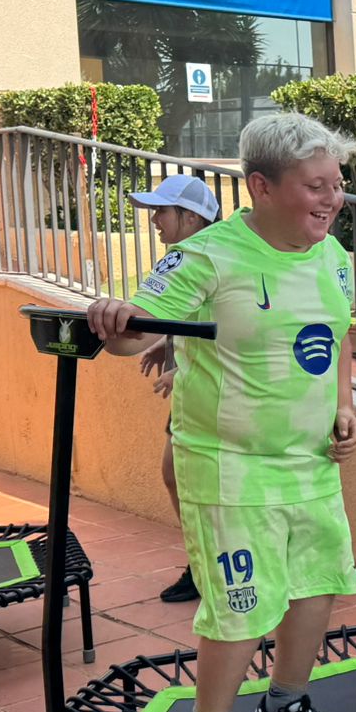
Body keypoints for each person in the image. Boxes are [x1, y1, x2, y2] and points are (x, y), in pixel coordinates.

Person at [85, 113, 356, 712]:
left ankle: (284, 707)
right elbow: (135, 333)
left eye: (336, 184)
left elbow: (338, 337)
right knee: (240, 606)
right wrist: (114, 320)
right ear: (261, 187)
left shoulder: (333, 256)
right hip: (227, 467)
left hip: (311, 462)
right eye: (316, 186)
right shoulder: (208, 256)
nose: (331, 199)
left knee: (315, 586)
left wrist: (345, 406)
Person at [127, 174, 222, 604]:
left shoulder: (216, 257)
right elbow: (191, 317)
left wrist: (181, 371)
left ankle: (215, 569)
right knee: (174, 475)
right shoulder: (187, 258)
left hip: (216, 396)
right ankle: (203, 565)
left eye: (161, 211)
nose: (154, 220)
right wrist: (167, 343)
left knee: (207, 489)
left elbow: (234, 332)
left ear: (191, 217)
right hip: (192, 392)